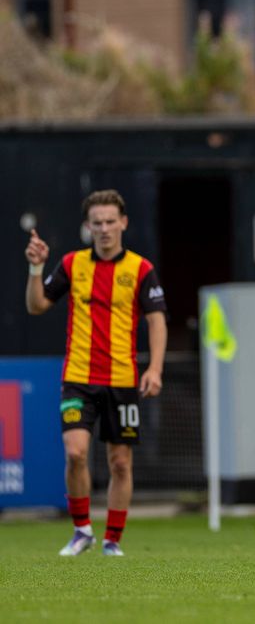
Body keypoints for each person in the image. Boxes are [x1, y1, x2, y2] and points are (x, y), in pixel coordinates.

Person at [25, 189, 167, 557]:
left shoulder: (140, 269)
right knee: (75, 453)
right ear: (88, 226)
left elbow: (157, 321)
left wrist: (154, 368)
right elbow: (37, 305)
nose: (104, 229)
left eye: (109, 222)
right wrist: (36, 268)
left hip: (122, 378)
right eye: (97, 223)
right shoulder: (73, 264)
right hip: (78, 376)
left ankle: (112, 540)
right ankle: (82, 530)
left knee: (120, 462)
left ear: (123, 223)